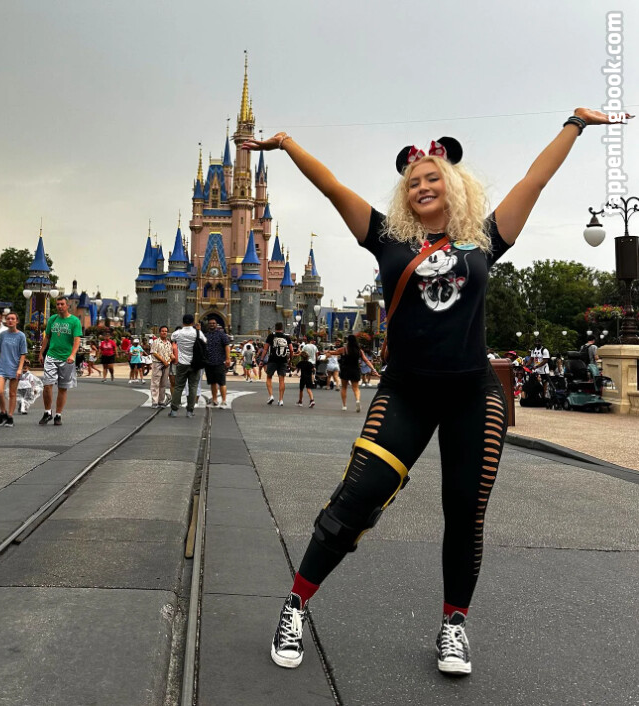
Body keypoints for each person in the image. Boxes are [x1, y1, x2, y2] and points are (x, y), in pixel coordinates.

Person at [242, 108, 629, 676]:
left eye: (432, 178)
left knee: (465, 514)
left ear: (452, 184)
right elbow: (332, 187)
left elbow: (535, 180)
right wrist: (287, 144)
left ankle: (454, 626)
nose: (422, 186)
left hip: (473, 394)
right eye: (413, 182)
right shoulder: (385, 238)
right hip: (406, 392)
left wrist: (574, 123)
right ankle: (296, 605)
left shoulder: (485, 239)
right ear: (405, 195)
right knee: (357, 498)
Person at [38, 295, 82, 426]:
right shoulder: (52, 319)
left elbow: (77, 340)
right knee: (47, 385)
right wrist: (41, 352)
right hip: (51, 356)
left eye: (62, 304)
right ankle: (47, 412)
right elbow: (47, 337)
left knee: (63, 388)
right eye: (58, 304)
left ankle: (58, 414)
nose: (60, 306)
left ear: (67, 305)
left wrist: (72, 355)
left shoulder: (74, 321)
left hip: (66, 358)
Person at [0, 312, 27, 428]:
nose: (10, 321)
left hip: (15, 368)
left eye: (13, 319)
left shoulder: (21, 336)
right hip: (2, 367)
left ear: (17, 321)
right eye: (8, 319)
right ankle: (3, 412)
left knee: (12, 393)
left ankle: (10, 416)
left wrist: (20, 369)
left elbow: (23, 354)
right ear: (6, 321)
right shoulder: (2, 335)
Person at [169, 314, 207, 418]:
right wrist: (198, 330)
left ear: (183, 322)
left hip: (182, 363)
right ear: (193, 322)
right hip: (195, 363)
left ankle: (174, 410)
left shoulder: (178, 333)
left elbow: (172, 337)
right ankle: (190, 411)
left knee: (178, 386)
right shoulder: (197, 333)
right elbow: (205, 341)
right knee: (193, 387)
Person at [328, 334, 377, 412]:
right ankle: (357, 400)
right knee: (356, 388)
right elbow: (366, 360)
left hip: (345, 370)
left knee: (344, 387)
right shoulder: (359, 351)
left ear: (348, 341)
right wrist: (373, 369)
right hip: (355, 370)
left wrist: (328, 351)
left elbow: (334, 352)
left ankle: (344, 405)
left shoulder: (344, 349)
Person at [261, 322, 293, 406]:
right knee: (281, 380)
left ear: (275, 328)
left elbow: (265, 349)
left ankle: (271, 396)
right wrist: (290, 360)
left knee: (269, 377)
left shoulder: (271, 336)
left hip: (272, 360)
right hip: (283, 360)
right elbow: (291, 350)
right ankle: (281, 400)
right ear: (282, 328)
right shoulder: (286, 337)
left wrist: (261, 360)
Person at [204, 318, 231, 408]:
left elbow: (227, 346)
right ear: (208, 325)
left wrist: (228, 358)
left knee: (221, 382)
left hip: (219, 362)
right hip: (209, 362)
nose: (212, 324)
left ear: (216, 324)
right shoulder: (206, 335)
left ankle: (224, 401)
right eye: (210, 323)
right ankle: (214, 400)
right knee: (212, 382)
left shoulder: (221, 335)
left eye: (214, 323)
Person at [150, 326, 173, 408]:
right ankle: (154, 402)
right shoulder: (156, 342)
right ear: (159, 332)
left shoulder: (169, 343)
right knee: (155, 383)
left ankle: (161, 401)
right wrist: (163, 361)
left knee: (163, 383)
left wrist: (169, 361)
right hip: (158, 364)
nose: (164, 332)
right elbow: (154, 353)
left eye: (166, 331)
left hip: (166, 365)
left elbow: (171, 354)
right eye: (162, 331)